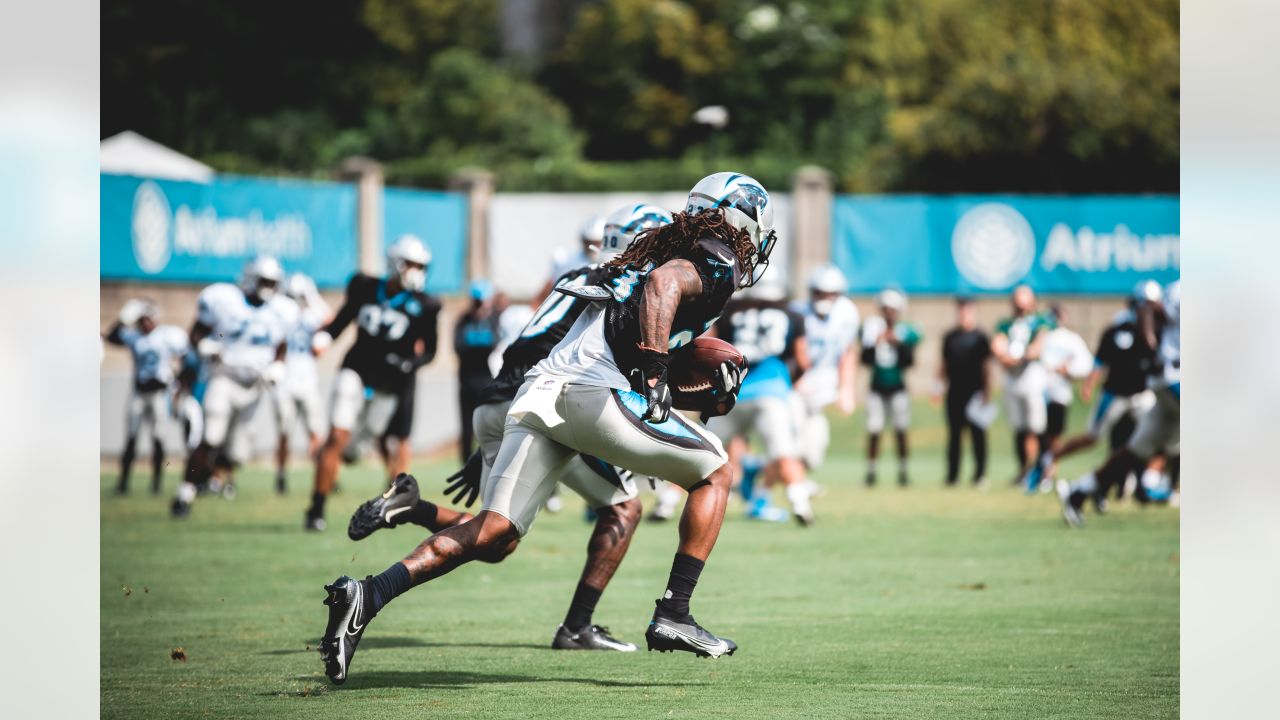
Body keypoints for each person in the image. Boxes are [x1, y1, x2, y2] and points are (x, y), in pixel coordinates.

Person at [318, 172, 775, 683]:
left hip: (540, 391)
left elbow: (644, 306)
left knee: (492, 533)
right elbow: (663, 288)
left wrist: (682, 366)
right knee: (715, 472)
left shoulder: (651, 251)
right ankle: (675, 611)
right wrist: (655, 370)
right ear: (738, 218)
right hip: (588, 394)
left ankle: (368, 593)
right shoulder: (716, 258)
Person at [346, 201, 674, 653]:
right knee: (624, 508)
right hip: (548, 405)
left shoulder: (574, 276)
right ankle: (577, 626)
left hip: (502, 400)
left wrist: (493, 431)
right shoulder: (627, 286)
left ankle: (413, 509)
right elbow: (596, 363)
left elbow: (523, 346)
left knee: (495, 537)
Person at [304, 235, 441, 531]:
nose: (416, 271)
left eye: (421, 266)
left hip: (388, 385)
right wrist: (325, 338)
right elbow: (342, 319)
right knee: (337, 436)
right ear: (396, 263)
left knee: (355, 451)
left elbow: (430, 350)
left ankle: (341, 474)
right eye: (411, 264)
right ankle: (316, 508)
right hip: (355, 370)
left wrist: (409, 364)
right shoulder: (365, 286)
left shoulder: (426, 305)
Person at [173, 256, 299, 517]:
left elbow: (281, 345)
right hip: (224, 377)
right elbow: (196, 332)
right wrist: (204, 346)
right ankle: (184, 494)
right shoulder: (224, 300)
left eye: (272, 282)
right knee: (211, 436)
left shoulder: (281, 310)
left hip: (254, 386)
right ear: (250, 278)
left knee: (238, 454)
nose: (268, 287)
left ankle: (209, 475)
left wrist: (278, 365)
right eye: (264, 281)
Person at [1059, 281, 1179, 527]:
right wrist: (1154, 350)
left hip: (1162, 385)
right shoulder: (1182, 292)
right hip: (1173, 377)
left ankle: (1079, 491)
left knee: (1136, 450)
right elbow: (1149, 310)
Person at [708, 276, 814, 524]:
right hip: (771, 393)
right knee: (783, 453)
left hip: (731, 394)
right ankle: (800, 503)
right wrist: (790, 379)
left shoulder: (731, 311)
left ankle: (666, 504)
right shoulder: (793, 315)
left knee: (701, 451)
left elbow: (709, 347)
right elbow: (803, 361)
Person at [1037, 281, 1162, 488]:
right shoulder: (1118, 330)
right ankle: (1050, 458)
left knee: (1159, 434)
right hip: (1115, 393)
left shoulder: (1161, 330)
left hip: (1142, 393)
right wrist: (1089, 384)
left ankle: (1151, 481)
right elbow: (1100, 362)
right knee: (1092, 437)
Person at [105, 299, 190, 495]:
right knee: (131, 438)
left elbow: (187, 355)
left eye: (148, 319)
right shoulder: (134, 336)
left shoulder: (167, 335)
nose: (145, 324)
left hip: (160, 393)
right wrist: (122, 319)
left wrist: (179, 380)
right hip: (139, 391)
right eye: (141, 320)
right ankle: (123, 483)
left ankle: (156, 484)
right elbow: (111, 337)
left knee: (158, 439)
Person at [791, 264, 860, 473]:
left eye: (830, 294)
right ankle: (792, 488)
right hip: (794, 387)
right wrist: (795, 379)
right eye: (820, 293)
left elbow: (847, 352)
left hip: (822, 385)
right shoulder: (798, 312)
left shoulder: (847, 314)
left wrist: (846, 388)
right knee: (789, 447)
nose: (824, 298)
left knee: (813, 454)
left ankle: (760, 472)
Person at [272, 273, 332, 495]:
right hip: (285, 382)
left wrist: (312, 296)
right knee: (284, 433)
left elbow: (330, 320)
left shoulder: (311, 317)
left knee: (316, 433)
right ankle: (281, 474)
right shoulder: (279, 316)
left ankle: (322, 475)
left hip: (307, 381)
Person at [991, 284, 1055, 488]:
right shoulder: (1005, 324)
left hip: (1031, 376)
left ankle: (1043, 470)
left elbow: (1038, 345)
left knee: (1037, 427)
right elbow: (998, 345)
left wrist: (1020, 357)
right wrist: (1006, 358)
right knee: (1019, 427)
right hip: (1012, 378)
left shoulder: (1040, 321)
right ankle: (1024, 470)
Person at [1028, 304, 1094, 491]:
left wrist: (1068, 369)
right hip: (1039, 392)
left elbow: (1085, 364)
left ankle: (1049, 471)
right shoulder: (1041, 336)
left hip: (1059, 393)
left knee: (1054, 435)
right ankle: (1036, 470)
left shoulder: (1071, 339)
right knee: (1038, 433)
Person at [861, 289, 921, 487]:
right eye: (885, 309)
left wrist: (898, 343)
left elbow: (910, 361)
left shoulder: (904, 332)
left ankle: (903, 471)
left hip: (898, 387)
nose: (888, 313)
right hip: (876, 387)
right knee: (874, 430)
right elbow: (864, 359)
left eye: (892, 309)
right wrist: (875, 342)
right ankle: (871, 472)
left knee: (900, 430)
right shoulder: (871, 330)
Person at [935, 296, 991, 488]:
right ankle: (952, 476)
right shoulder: (950, 337)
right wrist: (937, 387)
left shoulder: (980, 337)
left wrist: (987, 392)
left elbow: (986, 367)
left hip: (975, 393)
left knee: (978, 435)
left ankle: (980, 475)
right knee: (954, 436)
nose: (963, 314)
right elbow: (943, 365)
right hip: (955, 392)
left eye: (966, 309)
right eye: (960, 310)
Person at [454, 279, 501, 462]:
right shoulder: (463, 321)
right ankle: (465, 465)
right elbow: (459, 348)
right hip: (467, 381)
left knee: (488, 426)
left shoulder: (493, 320)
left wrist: (477, 346)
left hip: (486, 381)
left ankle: (487, 462)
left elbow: (495, 345)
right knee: (467, 429)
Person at [534, 215, 607, 303]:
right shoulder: (565, 259)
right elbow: (545, 293)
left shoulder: (612, 263)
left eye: (596, 242)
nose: (592, 247)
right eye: (588, 242)